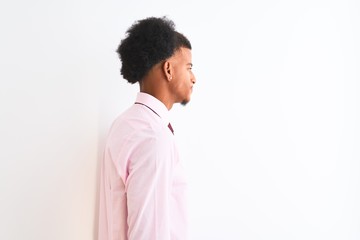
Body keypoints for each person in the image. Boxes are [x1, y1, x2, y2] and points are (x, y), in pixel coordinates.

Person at [98, 16, 196, 240]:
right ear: (168, 69)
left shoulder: (127, 124)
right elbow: (147, 232)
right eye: (189, 67)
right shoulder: (153, 135)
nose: (194, 78)